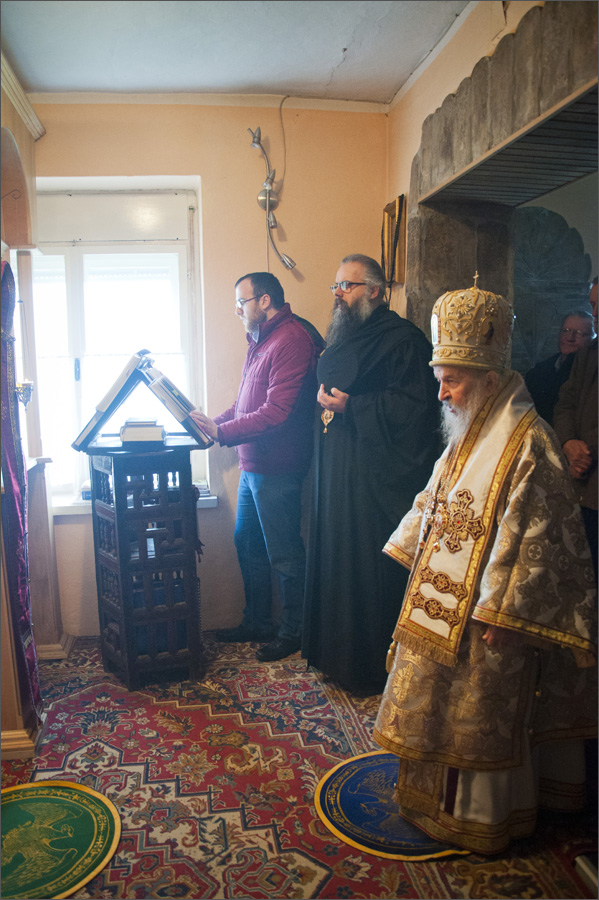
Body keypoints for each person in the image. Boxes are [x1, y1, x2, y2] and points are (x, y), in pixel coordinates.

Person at [373, 280, 597, 855]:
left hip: (488, 615)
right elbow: (437, 495)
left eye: (452, 380)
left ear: (489, 380)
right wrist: (410, 549)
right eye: (440, 378)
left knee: (478, 711)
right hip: (444, 601)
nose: (442, 393)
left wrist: (503, 611)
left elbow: (539, 536)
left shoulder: (530, 443)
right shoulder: (471, 430)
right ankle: (429, 802)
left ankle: (482, 818)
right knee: (435, 704)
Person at [302, 254, 441, 693]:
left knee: (363, 566)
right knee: (335, 558)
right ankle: (334, 656)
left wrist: (353, 407)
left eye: (347, 285)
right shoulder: (346, 337)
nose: (338, 294)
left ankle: (366, 666)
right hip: (337, 470)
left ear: (376, 292)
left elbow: (416, 410)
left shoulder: (404, 341)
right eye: (336, 286)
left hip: (373, 479)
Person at [191, 272, 324, 662]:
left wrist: (222, 432)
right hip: (253, 465)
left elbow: (277, 412)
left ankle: (294, 632)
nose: (237, 310)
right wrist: (212, 425)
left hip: (278, 467)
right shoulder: (260, 341)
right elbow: (244, 405)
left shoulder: (292, 340)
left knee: (284, 553)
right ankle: (258, 622)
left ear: (265, 301)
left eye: (241, 301)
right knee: (247, 543)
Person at [554, 278, 598, 580]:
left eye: (598, 305)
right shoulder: (589, 352)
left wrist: (585, 452)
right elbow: (565, 403)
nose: (594, 313)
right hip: (585, 486)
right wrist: (568, 442)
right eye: (592, 304)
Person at [524, 309, 595, 425]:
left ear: (593, 339)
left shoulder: (592, 375)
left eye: (579, 333)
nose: (570, 338)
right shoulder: (538, 372)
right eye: (565, 331)